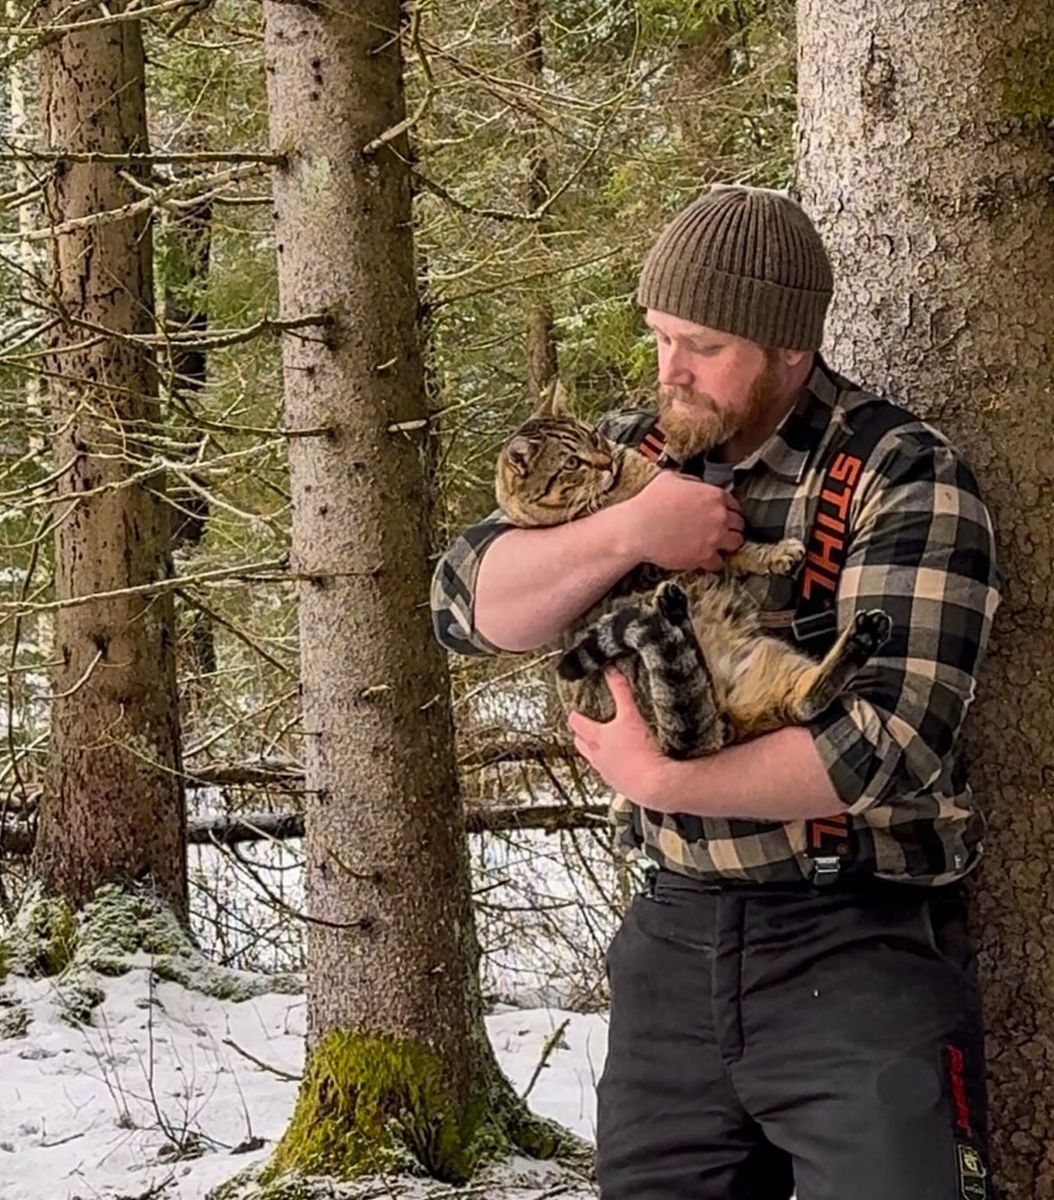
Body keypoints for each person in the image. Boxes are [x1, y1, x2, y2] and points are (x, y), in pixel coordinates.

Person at [430, 186, 1001, 1200]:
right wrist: (629, 532)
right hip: (672, 942)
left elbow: (887, 745)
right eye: (658, 338)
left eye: (703, 345)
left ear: (787, 346)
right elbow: (463, 607)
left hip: (856, 940)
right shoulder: (625, 457)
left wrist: (660, 778)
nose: (669, 371)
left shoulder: (900, 475)